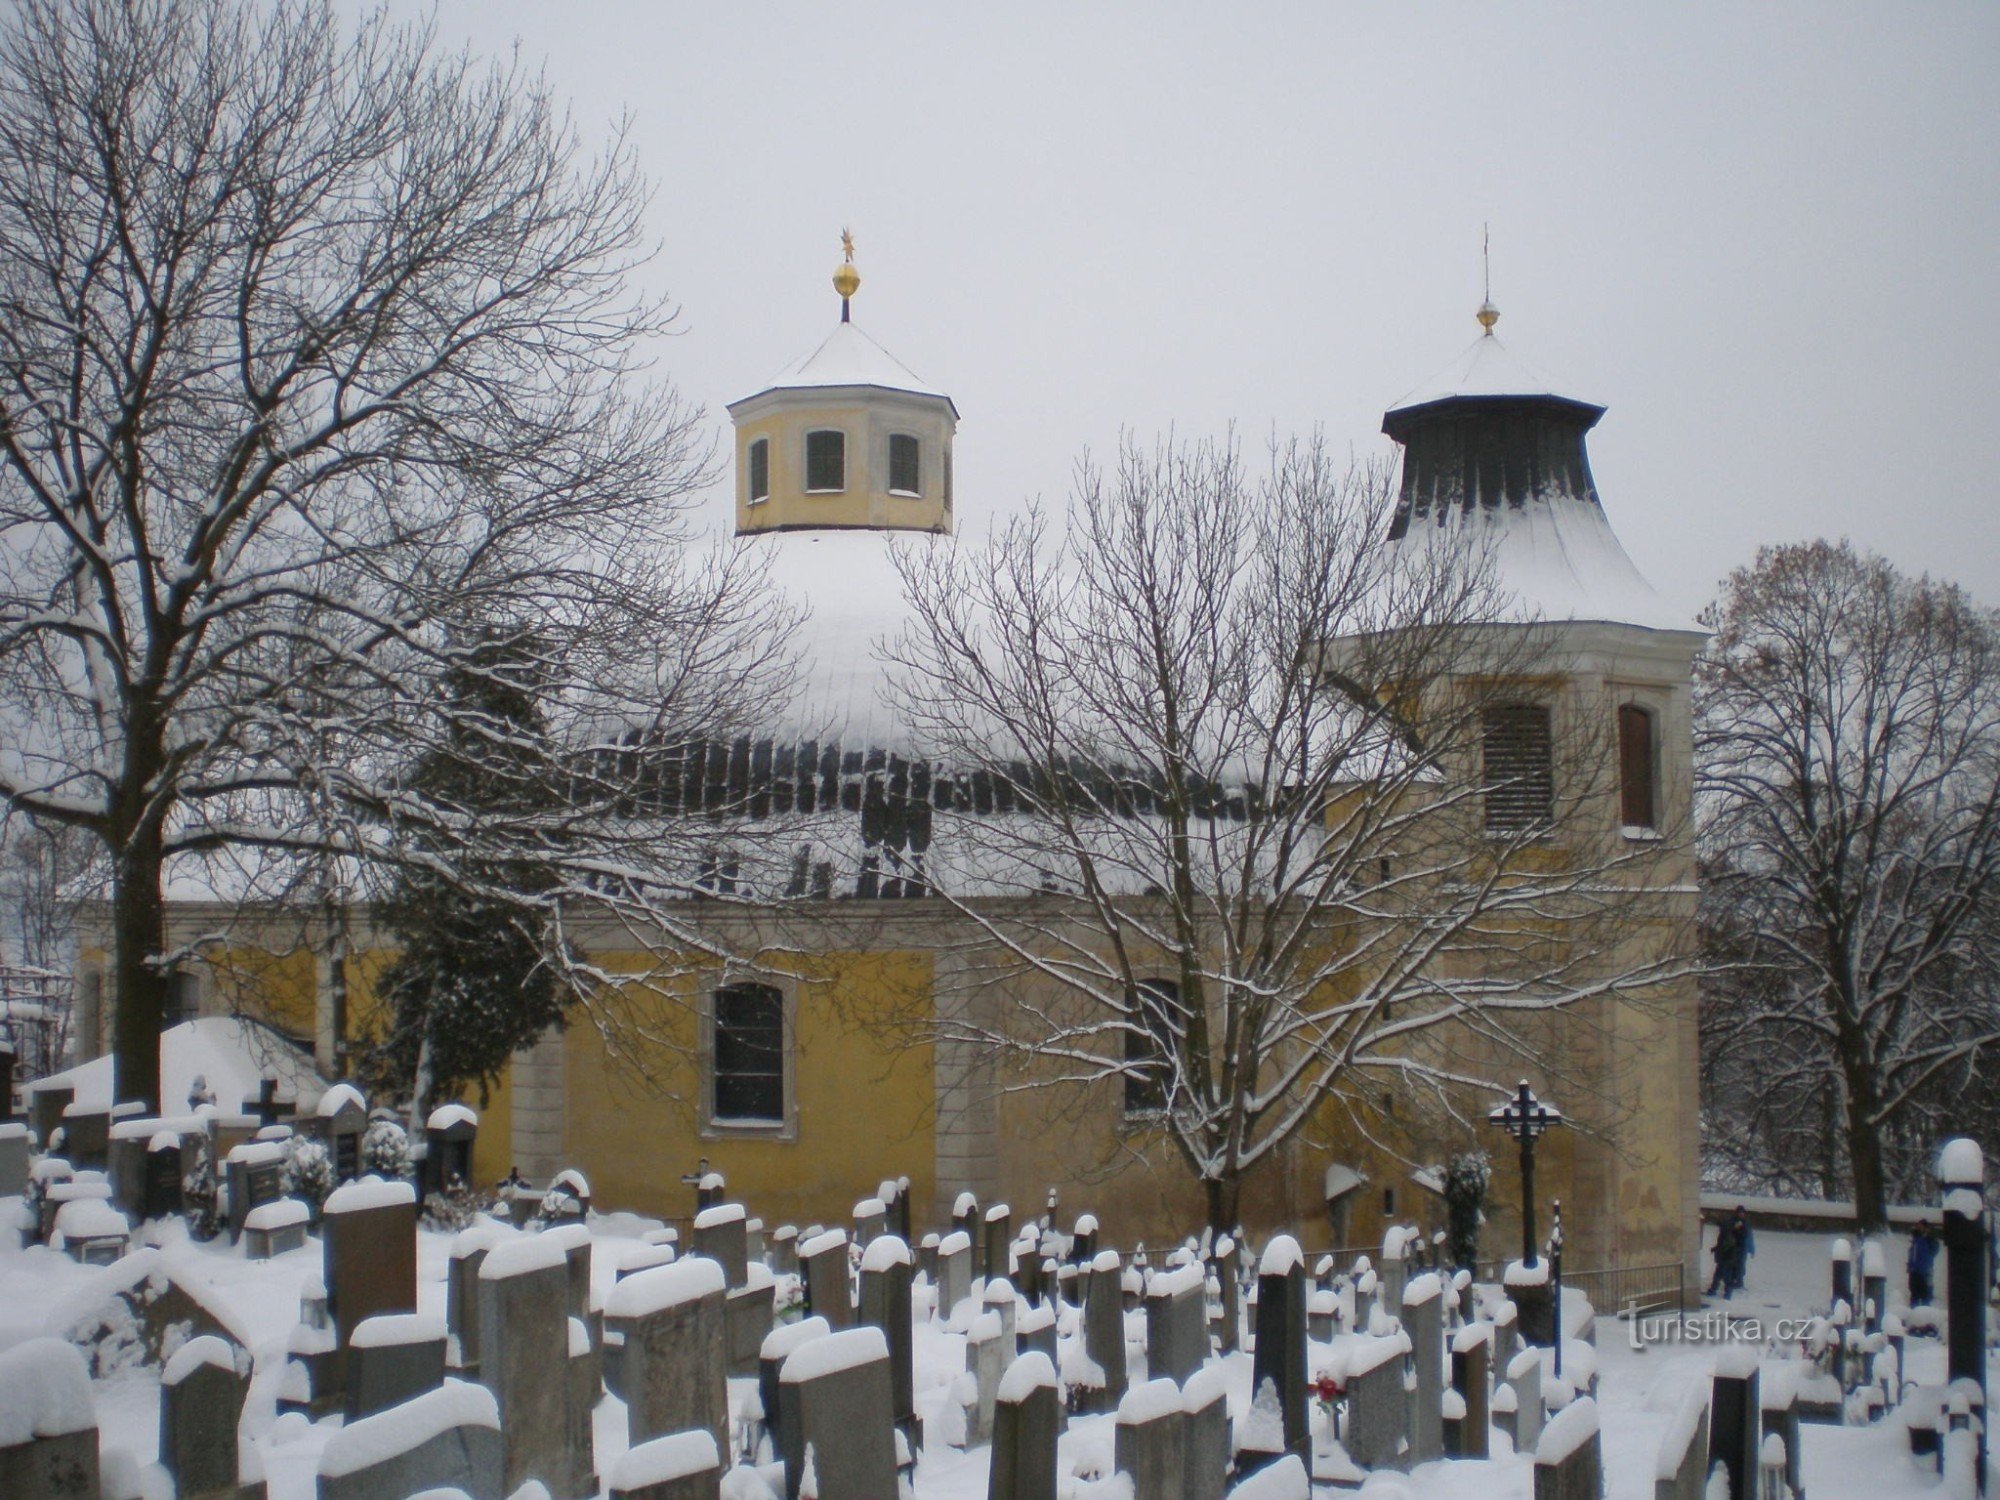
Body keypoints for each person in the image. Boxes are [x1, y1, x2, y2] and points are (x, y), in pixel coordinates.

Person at [1706, 1211, 1740, 1298]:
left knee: (1725, 1276)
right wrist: (1716, 1249)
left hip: (1726, 1258)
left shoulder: (1726, 1233)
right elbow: (1722, 1245)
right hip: (1725, 1258)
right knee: (1718, 1275)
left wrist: (1718, 1249)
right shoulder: (1725, 1233)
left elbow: (1725, 1245)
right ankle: (1713, 1290)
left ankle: (1726, 1292)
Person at [1725, 1205, 1755, 1296]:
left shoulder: (1746, 1223)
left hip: (1743, 1248)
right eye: (1740, 1212)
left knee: (1741, 1265)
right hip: (1735, 1247)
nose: (1741, 1214)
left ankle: (1739, 1281)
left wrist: (1751, 1249)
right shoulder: (1734, 1222)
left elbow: (1749, 1237)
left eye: (1742, 1213)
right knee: (1735, 1265)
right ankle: (1735, 1281)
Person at [1908, 1220, 1940, 1306]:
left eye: (1921, 1226)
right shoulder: (1916, 1240)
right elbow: (1913, 1255)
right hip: (1915, 1272)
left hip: (1925, 1273)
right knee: (1915, 1296)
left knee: (1925, 1297)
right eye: (1918, 1226)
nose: (1918, 1228)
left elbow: (1930, 1253)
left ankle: (1924, 1316)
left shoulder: (1929, 1240)